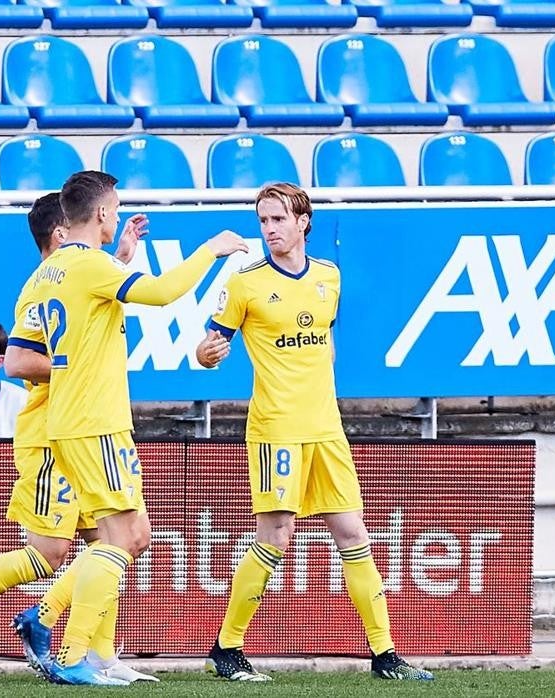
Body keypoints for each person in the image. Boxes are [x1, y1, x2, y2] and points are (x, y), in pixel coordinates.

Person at [5, 171, 247, 685]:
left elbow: (72, 313)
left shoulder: (49, 272)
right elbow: (160, 293)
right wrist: (212, 250)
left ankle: (53, 628)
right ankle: (70, 654)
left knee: (128, 535)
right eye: (114, 209)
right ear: (100, 215)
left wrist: (121, 258)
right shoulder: (90, 265)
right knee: (121, 539)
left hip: (71, 420)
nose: (116, 216)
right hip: (95, 422)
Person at [0, 194, 157, 685]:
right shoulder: (45, 288)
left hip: (79, 428)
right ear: (61, 234)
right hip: (52, 433)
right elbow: (22, 363)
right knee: (49, 552)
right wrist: (79, 363)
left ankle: (101, 654)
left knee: (105, 541)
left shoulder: (75, 278)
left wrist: (121, 259)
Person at [196, 183, 433, 682]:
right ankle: (227, 647)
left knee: (353, 534)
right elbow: (209, 343)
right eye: (263, 221)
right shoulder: (246, 283)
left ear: (303, 221)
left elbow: (323, 343)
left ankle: (385, 654)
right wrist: (207, 354)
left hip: (325, 428)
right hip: (276, 428)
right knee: (277, 535)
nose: (269, 230)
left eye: (278, 219)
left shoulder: (329, 275)